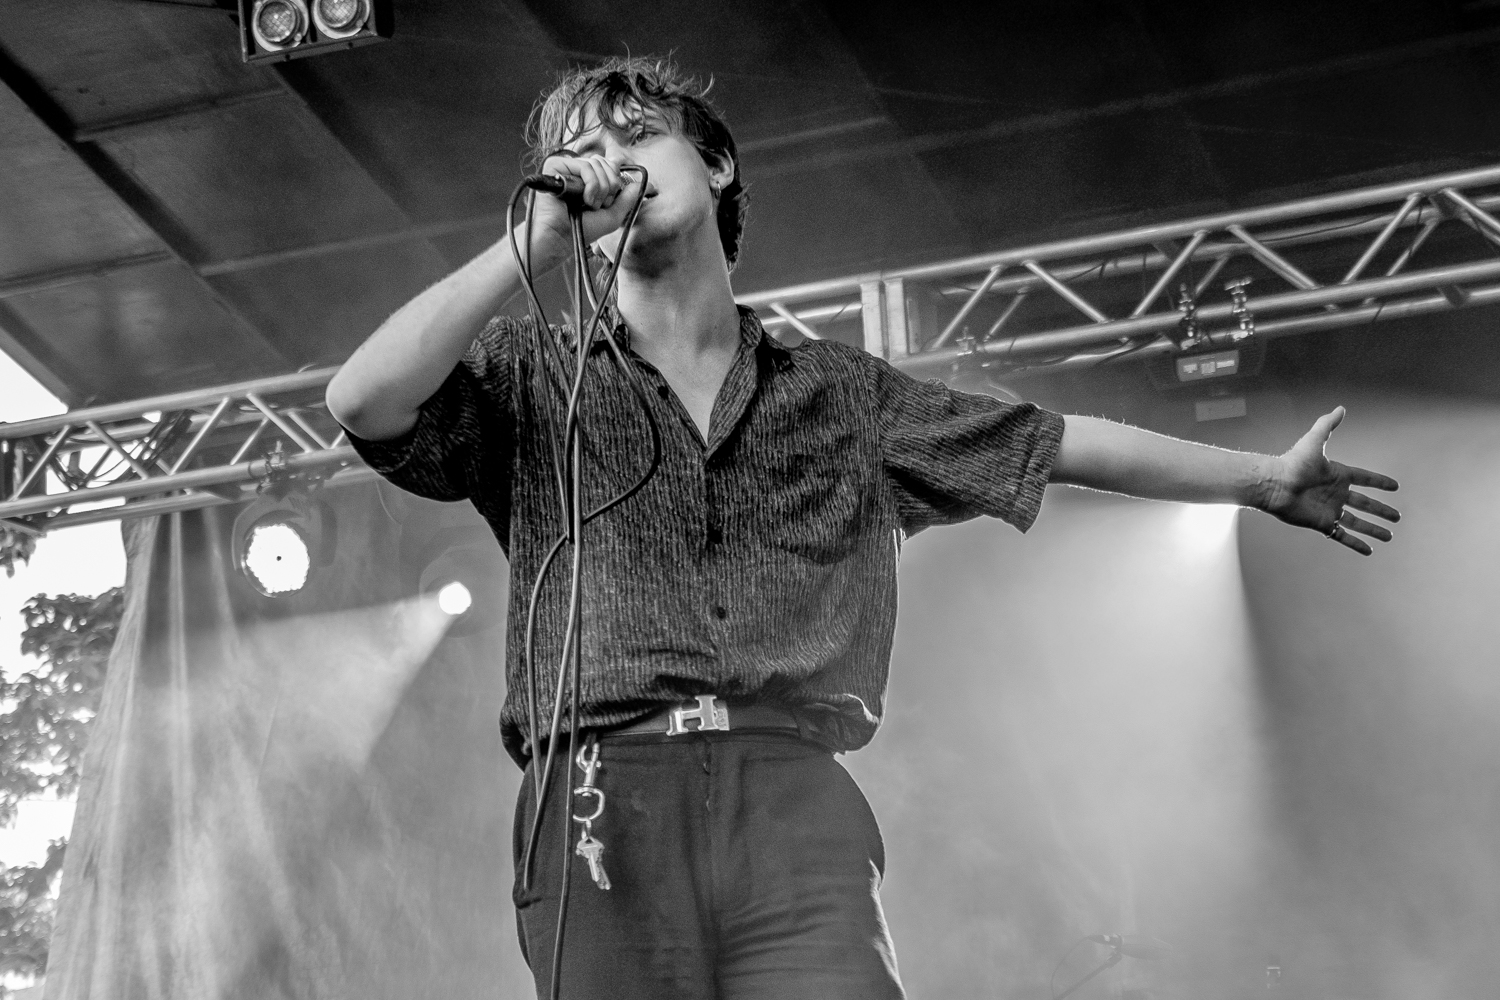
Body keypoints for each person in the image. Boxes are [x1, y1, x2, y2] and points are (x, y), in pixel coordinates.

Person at [325, 56, 1399, 1000]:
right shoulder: (534, 375)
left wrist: (1263, 480)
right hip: (603, 798)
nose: (608, 160)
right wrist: (536, 241)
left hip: (794, 794)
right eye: (581, 149)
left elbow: (1050, 442)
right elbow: (362, 399)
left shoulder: (839, 393)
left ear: (717, 166)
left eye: (635, 134)